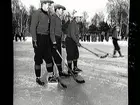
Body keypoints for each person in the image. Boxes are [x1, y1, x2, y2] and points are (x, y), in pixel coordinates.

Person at [30, 0, 56, 86]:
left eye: (49, 4)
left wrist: (52, 41)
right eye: (47, 4)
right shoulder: (37, 13)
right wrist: (35, 40)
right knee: (38, 59)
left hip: (46, 38)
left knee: (49, 58)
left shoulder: (48, 15)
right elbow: (32, 27)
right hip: (38, 38)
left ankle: (51, 76)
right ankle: (38, 78)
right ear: (43, 4)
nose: (48, 6)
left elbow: (50, 29)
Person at [49, 4, 70, 77]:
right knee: (54, 56)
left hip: (58, 39)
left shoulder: (59, 18)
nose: (62, 12)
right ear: (57, 9)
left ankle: (60, 72)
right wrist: (54, 42)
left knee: (59, 56)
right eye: (61, 10)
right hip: (54, 39)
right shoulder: (53, 17)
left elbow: (60, 30)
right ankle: (53, 74)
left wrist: (62, 40)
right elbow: (51, 31)